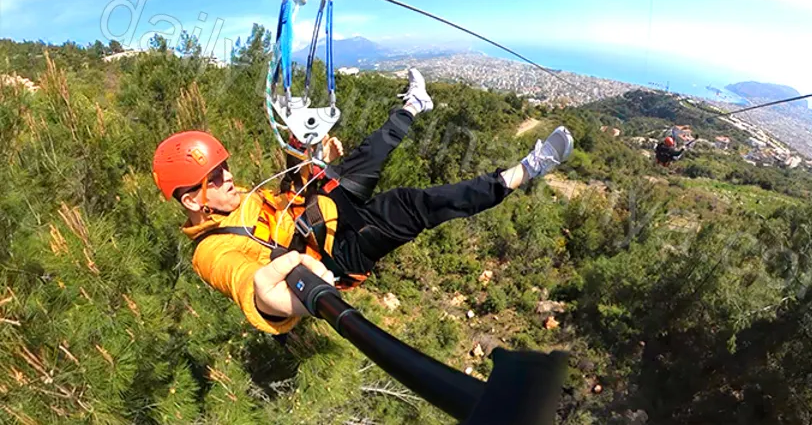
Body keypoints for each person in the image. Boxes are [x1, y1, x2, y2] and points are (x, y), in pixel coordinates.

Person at [152, 69, 574, 335]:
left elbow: (280, 201)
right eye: (215, 177)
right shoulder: (211, 251)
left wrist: (308, 159)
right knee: (410, 205)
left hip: (316, 212)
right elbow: (243, 280)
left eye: (224, 168)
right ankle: (523, 172)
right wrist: (276, 299)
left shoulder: (231, 198)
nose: (229, 178)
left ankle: (413, 105)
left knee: (366, 156)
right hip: (335, 254)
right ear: (192, 199)